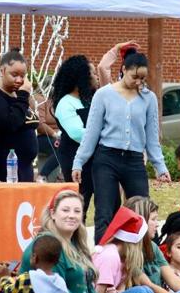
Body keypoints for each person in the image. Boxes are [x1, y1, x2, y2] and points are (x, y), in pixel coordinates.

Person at [72, 49, 170, 241]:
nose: (139, 82)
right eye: (135, 77)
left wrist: (160, 167)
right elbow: (91, 132)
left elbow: (151, 138)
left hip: (134, 160)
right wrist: (79, 161)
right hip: (106, 158)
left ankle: (148, 259)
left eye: (142, 78)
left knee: (143, 210)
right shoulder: (103, 95)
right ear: (124, 69)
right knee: (105, 212)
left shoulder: (148, 98)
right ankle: (103, 258)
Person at [0, 50, 37, 183]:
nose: (19, 80)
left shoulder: (18, 94)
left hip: (24, 169)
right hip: (4, 170)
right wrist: (23, 97)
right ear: (2, 71)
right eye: (14, 75)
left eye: (23, 76)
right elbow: (11, 123)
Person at [49, 54, 95, 185]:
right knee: (81, 200)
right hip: (73, 158)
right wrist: (105, 136)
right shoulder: (65, 104)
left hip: (92, 157)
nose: (95, 76)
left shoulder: (88, 100)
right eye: (92, 73)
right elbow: (77, 134)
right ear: (80, 77)